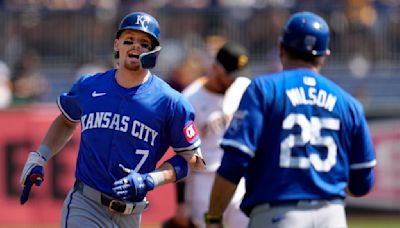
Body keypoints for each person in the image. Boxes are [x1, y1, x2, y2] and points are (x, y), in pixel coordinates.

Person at [19, 12, 205, 228]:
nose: (135, 46)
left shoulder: (170, 101)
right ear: (117, 44)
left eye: (144, 43)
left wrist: (151, 179)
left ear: (154, 51)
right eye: (129, 40)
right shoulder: (89, 86)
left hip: (132, 213)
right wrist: (40, 156)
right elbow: (66, 120)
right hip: (86, 203)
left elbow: (193, 160)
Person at [205, 11, 377, 228]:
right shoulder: (348, 103)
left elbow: (235, 161)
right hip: (332, 216)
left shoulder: (263, 89)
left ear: (281, 48)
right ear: (325, 54)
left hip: (278, 213)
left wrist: (214, 216)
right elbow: (363, 183)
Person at [166, 42, 251, 228]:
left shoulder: (243, 87)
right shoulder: (190, 99)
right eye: (229, 75)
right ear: (215, 68)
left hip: (238, 177)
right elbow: (182, 154)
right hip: (204, 180)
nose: (233, 80)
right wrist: (181, 202)